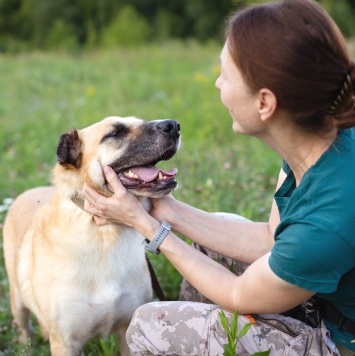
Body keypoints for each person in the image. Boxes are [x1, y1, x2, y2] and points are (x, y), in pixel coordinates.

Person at [82, 0, 355, 354]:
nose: (216, 83)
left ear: (265, 103)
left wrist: (149, 229)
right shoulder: (318, 135)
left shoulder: (327, 220)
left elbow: (239, 295)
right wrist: (168, 213)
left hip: (338, 341)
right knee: (211, 237)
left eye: (226, 75)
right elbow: (271, 240)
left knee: (153, 326)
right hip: (323, 301)